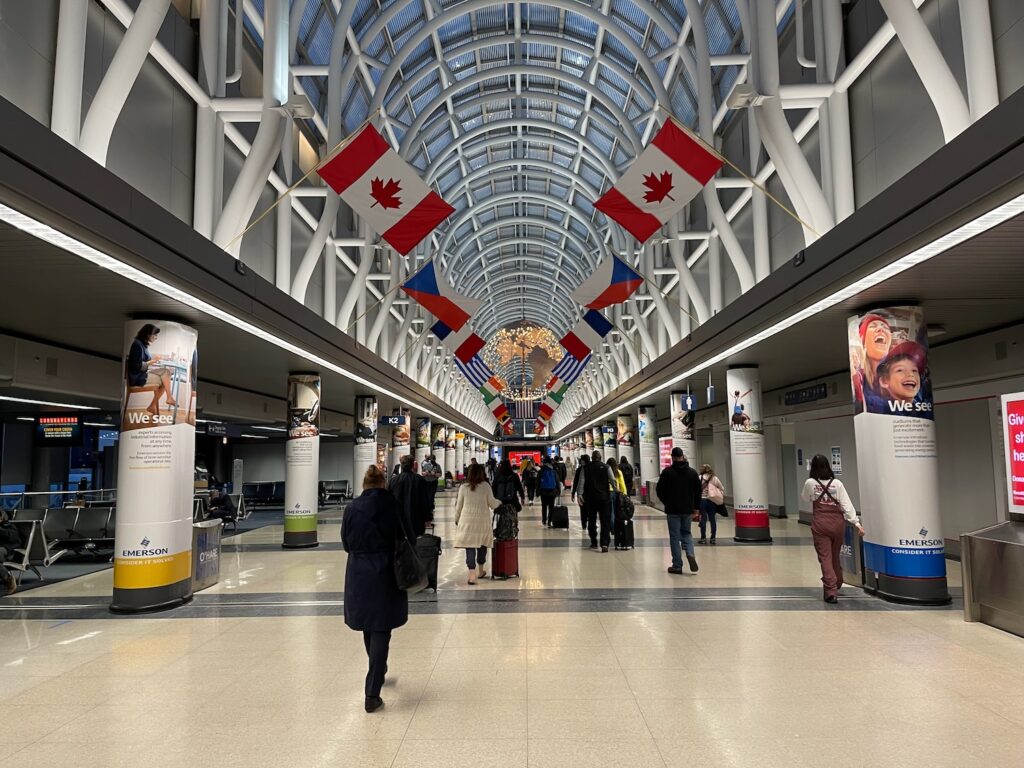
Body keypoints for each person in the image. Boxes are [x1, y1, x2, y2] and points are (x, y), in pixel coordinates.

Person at [342, 465, 410, 713]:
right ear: (383, 483)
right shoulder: (391, 505)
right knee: (382, 626)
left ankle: (378, 669)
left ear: (364, 484)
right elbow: (405, 535)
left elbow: (346, 543)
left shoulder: (351, 508)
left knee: (369, 624)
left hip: (359, 571)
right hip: (386, 570)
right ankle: (372, 691)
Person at [802, 454, 864, 604]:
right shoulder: (837, 483)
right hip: (837, 524)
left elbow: (805, 498)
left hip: (820, 523)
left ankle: (831, 590)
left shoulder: (810, 482)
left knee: (825, 557)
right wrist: (856, 523)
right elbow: (846, 504)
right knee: (835, 555)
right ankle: (838, 581)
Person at [656, 447, 701, 574]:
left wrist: (667, 502)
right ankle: (690, 553)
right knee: (687, 533)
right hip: (687, 509)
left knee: (675, 537)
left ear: (673, 457)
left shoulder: (667, 472)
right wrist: (696, 508)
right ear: (682, 456)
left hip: (672, 510)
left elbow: (659, 490)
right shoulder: (692, 473)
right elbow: (698, 492)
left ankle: (677, 565)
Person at [454, 463, 501, 584]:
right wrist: (499, 502)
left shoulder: (463, 487)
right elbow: (492, 503)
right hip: (482, 521)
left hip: (467, 520)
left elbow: (459, 506)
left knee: (470, 546)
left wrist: (457, 519)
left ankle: (472, 575)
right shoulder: (485, 486)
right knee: (482, 545)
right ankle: (481, 570)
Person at [124, 323, 179, 416]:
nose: (156, 337)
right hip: (137, 378)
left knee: (167, 373)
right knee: (165, 376)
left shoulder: (141, 344)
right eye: (155, 335)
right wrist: (152, 362)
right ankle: (167, 399)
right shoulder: (137, 345)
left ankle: (156, 404)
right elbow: (136, 366)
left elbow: (146, 358)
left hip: (140, 374)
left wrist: (160, 357)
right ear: (148, 334)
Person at [577, 451, 616, 552]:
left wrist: (579, 494)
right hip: (604, 498)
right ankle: (604, 544)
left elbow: (581, 482)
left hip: (590, 498)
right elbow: (612, 480)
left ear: (592, 458)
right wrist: (616, 490)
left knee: (592, 520)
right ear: (600, 457)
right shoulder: (606, 467)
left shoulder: (585, 468)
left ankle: (594, 541)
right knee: (605, 521)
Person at [388, 455, 431, 537]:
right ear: (412, 465)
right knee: (415, 543)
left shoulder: (393, 481)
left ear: (401, 465)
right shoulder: (419, 480)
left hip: (399, 519)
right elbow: (425, 500)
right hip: (416, 518)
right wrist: (427, 517)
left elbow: (389, 500)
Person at [698, 464, 726, 546]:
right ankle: (713, 538)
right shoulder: (714, 478)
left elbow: (696, 488)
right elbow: (722, 488)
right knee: (712, 519)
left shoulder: (700, 477)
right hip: (712, 500)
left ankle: (703, 538)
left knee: (703, 519)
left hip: (702, 500)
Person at [0, 509, 22, 595]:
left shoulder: (9, 526)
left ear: (1, 517)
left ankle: (9, 580)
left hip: (7, 550)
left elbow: (13, 538)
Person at [537, 457, 560, 526]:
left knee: (544, 507)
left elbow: (537, 482)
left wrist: (538, 492)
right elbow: (557, 481)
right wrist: (558, 491)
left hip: (543, 492)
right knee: (551, 507)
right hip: (552, 492)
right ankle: (550, 521)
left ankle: (544, 520)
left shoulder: (541, 471)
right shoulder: (553, 471)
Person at [571, 454, 591, 532]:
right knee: (591, 509)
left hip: (582, 493)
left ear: (583, 461)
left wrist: (573, 493)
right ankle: (590, 523)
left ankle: (584, 525)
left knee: (583, 509)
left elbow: (576, 482)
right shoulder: (592, 468)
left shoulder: (579, 470)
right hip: (591, 493)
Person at [606, 457, 626, 532]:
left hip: (608, 492)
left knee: (610, 511)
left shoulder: (606, 471)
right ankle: (615, 528)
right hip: (616, 492)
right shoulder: (618, 472)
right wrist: (624, 494)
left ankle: (611, 527)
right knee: (616, 510)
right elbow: (622, 483)